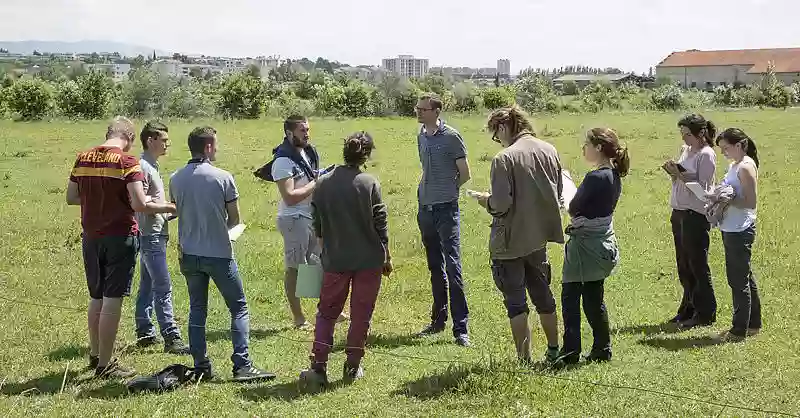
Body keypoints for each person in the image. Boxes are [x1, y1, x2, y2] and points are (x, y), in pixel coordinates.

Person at [66, 116, 177, 378]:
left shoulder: (83, 158)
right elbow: (140, 205)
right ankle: (106, 365)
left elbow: (71, 197)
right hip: (120, 237)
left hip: (91, 237)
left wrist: (98, 197)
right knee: (112, 300)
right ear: (128, 137)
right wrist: (169, 206)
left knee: (96, 297)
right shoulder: (128, 162)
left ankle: (94, 354)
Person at [169, 126, 275, 382]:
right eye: (215, 145)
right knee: (238, 307)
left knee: (197, 309)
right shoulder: (223, 177)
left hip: (189, 255)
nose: (217, 149)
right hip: (219, 253)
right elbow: (235, 219)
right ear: (207, 147)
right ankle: (242, 365)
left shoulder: (175, 178)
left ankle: (201, 365)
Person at [299, 131, 392, 388]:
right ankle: (353, 366)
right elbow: (380, 225)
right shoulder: (369, 183)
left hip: (335, 259)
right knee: (361, 315)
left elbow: (316, 223)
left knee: (327, 314)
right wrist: (387, 256)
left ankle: (318, 366)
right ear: (367, 155)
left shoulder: (323, 183)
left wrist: (324, 248)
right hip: (369, 260)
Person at [472, 106, 564, 363]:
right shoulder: (549, 149)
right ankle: (554, 349)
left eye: (495, 135)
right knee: (544, 296)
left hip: (510, 241)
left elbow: (501, 204)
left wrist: (485, 201)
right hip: (539, 238)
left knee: (516, 302)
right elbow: (557, 193)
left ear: (503, 128)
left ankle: (524, 360)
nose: (497, 141)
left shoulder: (504, 159)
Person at [558, 128, 629, 364]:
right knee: (593, 298)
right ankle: (602, 348)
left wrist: (566, 196)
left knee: (570, 298)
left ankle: (570, 352)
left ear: (598, 147)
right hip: (602, 245)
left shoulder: (595, 177)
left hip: (584, 248)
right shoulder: (613, 175)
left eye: (587, 144)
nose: (583, 149)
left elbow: (574, 207)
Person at [271, 115, 348, 329]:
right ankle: (298, 318)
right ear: (289, 133)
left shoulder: (308, 151)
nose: (307, 134)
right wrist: (318, 182)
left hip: (311, 216)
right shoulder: (282, 161)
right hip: (293, 219)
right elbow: (290, 196)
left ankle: (328, 309)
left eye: (307, 129)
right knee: (294, 268)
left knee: (315, 264)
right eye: (302, 130)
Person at [415, 94, 472, 347]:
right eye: (417, 108)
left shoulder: (451, 137)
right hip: (425, 209)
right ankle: (438, 320)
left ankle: (461, 328)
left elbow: (465, 173)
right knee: (434, 266)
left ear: (436, 111)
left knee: (453, 266)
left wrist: (449, 192)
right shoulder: (421, 135)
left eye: (423, 109)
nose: (418, 112)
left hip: (446, 210)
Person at [133, 121, 189, 355]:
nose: (167, 144)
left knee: (147, 285)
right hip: (150, 235)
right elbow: (142, 204)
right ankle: (171, 336)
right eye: (163, 140)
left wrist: (167, 212)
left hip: (154, 232)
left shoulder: (150, 166)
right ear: (150, 141)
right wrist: (171, 208)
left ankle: (145, 331)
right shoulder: (143, 167)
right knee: (163, 286)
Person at [662, 114, 718, 329]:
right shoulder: (686, 150)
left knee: (697, 265)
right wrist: (673, 173)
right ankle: (688, 308)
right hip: (679, 211)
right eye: (682, 134)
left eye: (687, 134)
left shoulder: (707, 155)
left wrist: (681, 173)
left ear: (700, 133)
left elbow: (703, 190)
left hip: (696, 214)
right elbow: (682, 178)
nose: (684, 138)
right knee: (683, 264)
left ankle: (706, 312)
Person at [714, 128, 761, 342]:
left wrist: (726, 200)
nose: (723, 152)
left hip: (740, 229)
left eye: (726, 148)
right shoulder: (736, 165)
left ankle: (738, 330)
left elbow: (750, 202)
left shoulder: (745, 166)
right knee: (745, 276)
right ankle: (752, 324)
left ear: (739, 145)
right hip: (731, 226)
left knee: (738, 280)